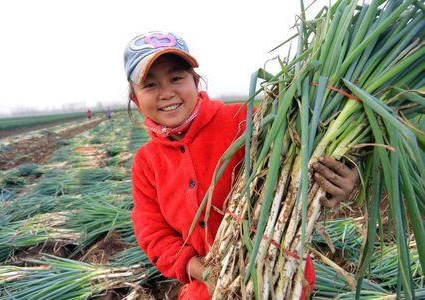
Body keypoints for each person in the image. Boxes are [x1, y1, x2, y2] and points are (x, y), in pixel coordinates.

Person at [125, 31, 358, 300]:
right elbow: (152, 232)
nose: (166, 93)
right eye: (150, 85)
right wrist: (201, 270)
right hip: (208, 290)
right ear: (135, 98)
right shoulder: (146, 162)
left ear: (196, 81)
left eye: (176, 78)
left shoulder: (247, 121)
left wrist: (343, 183)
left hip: (283, 282)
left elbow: (304, 166)